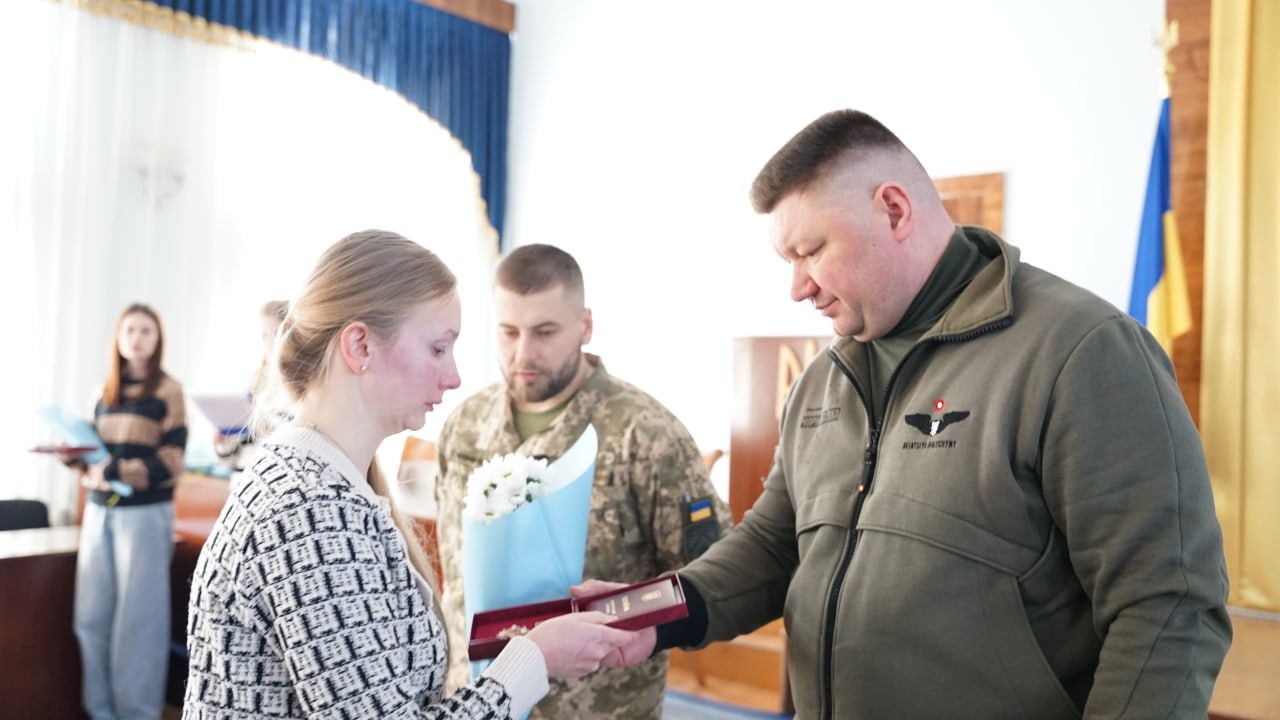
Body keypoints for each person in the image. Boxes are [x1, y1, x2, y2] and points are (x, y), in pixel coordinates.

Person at [602, 109, 1234, 719]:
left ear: (894, 209)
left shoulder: (1079, 350)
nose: (797, 286)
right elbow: (772, 546)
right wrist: (646, 612)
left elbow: (1169, 604)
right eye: (787, 261)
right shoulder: (825, 378)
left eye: (811, 250)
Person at [183, 230, 642, 719]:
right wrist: (535, 659)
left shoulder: (329, 484)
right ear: (360, 346)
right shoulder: (309, 508)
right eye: (438, 348)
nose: (454, 376)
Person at [434, 243, 732, 719]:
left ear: (585, 326)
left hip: (594, 706)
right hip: (473, 700)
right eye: (508, 332)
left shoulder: (646, 434)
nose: (523, 353)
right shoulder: (464, 424)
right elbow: (454, 579)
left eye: (545, 332)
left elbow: (712, 576)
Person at [64, 302, 188, 720]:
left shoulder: (168, 391)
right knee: (91, 617)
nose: (136, 338)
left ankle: (136, 713)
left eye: (146, 331)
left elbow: (171, 462)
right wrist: (77, 458)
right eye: (130, 330)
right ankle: (100, 711)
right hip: (100, 512)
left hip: (144, 516)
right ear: (118, 338)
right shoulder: (104, 391)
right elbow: (97, 459)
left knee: (138, 624)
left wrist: (119, 469)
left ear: (157, 340)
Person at [212, 298, 289, 482]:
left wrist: (273, 433)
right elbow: (232, 461)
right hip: (243, 484)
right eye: (264, 335)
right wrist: (223, 442)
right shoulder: (252, 385)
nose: (270, 341)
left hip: (276, 483)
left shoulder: (303, 388)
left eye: (276, 333)